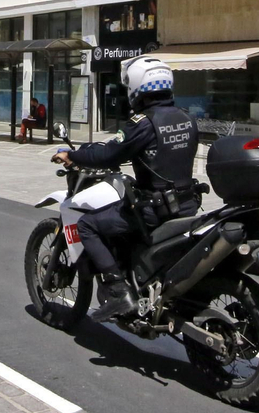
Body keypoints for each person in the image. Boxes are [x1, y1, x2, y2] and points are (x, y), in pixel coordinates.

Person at [51, 55, 200, 321]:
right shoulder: (188, 118)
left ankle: (120, 292)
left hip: (154, 210)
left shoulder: (144, 123)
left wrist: (74, 155)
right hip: (188, 204)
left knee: (88, 225)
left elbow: (109, 154)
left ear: (137, 87)